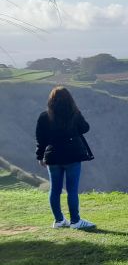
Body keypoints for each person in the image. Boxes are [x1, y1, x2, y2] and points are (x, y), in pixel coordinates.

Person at [35, 86, 96, 230]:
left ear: (51, 100)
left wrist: (40, 156)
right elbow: (85, 128)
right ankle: (75, 221)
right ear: (69, 99)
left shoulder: (44, 116)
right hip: (72, 155)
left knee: (55, 190)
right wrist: (77, 114)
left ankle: (59, 220)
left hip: (53, 157)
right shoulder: (73, 114)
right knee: (72, 190)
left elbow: (40, 139)